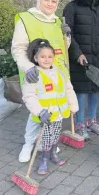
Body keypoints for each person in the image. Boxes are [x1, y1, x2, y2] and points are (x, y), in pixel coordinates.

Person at [11, 0, 69, 163]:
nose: (50, 4)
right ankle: (29, 143)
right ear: (39, 0)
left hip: (56, 73)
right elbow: (18, 48)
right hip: (35, 74)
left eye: (54, 1)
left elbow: (63, 48)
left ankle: (49, 141)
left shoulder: (58, 21)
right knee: (36, 112)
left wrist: (67, 36)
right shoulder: (26, 19)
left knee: (54, 109)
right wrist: (28, 67)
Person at [22, 39, 78, 175]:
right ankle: (44, 160)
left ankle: (53, 155)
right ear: (36, 58)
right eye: (42, 57)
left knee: (55, 136)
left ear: (54, 57)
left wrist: (73, 105)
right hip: (45, 116)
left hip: (58, 114)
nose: (46, 60)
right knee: (46, 139)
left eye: (49, 57)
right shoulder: (34, 74)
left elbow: (68, 89)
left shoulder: (60, 72)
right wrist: (40, 112)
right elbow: (29, 96)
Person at [63, 0, 99, 139]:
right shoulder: (72, 7)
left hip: (98, 56)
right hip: (80, 58)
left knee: (95, 90)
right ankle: (80, 123)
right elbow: (68, 33)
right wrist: (77, 53)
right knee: (81, 91)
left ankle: (91, 121)